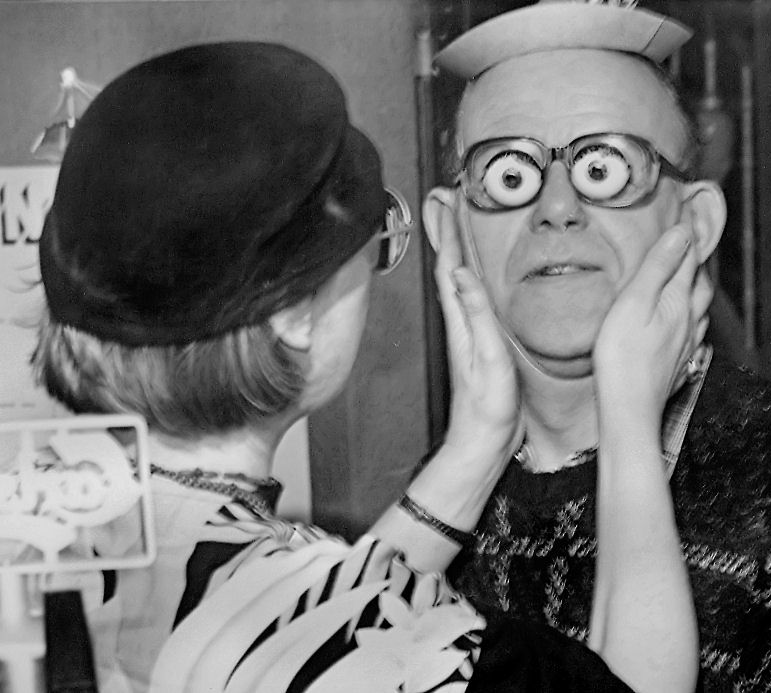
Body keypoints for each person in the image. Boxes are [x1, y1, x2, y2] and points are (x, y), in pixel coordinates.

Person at [31, 40, 707, 693]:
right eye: (374, 247)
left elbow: (306, 630)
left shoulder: (61, 544)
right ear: (294, 311)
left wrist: (475, 447)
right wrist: (630, 416)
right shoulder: (404, 640)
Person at [422, 2, 771, 691]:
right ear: (449, 226)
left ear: (697, 222)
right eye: (510, 174)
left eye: (605, 167)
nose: (556, 208)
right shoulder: (442, 504)